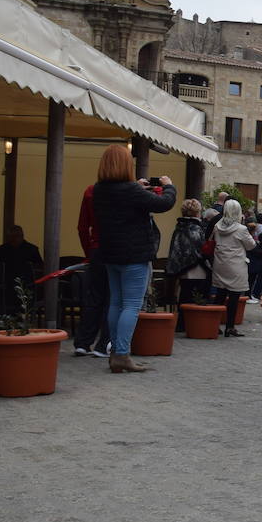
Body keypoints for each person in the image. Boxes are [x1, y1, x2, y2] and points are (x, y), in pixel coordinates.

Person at [91, 145, 175, 373]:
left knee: (116, 303)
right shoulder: (130, 190)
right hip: (134, 256)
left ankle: (114, 351)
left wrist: (137, 188)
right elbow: (164, 204)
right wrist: (169, 187)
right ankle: (121, 354)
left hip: (110, 254)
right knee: (131, 305)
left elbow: (122, 202)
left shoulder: (99, 190)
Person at [73, 186, 110, 357]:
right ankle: (104, 344)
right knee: (113, 298)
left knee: (94, 297)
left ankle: (83, 342)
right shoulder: (126, 189)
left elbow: (82, 227)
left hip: (96, 249)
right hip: (116, 250)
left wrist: (89, 252)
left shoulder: (90, 191)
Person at [210, 199, 256, 337]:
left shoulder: (217, 225)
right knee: (234, 297)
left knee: (220, 295)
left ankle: (214, 325)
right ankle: (230, 327)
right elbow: (251, 245)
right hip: (236, 265)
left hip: (220, 264)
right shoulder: (241, 229)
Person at [167, 199, 210, 332]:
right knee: (197, 295)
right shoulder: (197, 228)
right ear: (197, 212)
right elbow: (200, 248)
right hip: (197, 268)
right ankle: (195, 323)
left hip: (182, 268)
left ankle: (181, 324)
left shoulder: (179, 227)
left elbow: (176, 248)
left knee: (184, 295)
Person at [0, 225, 43, 303]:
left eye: (16, 236)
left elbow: (39, 266)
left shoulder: (31, 249)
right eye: (11, 237)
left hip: (27, 284)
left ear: (22, 236)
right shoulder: (3, 249)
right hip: (7, 284)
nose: (14, 239)